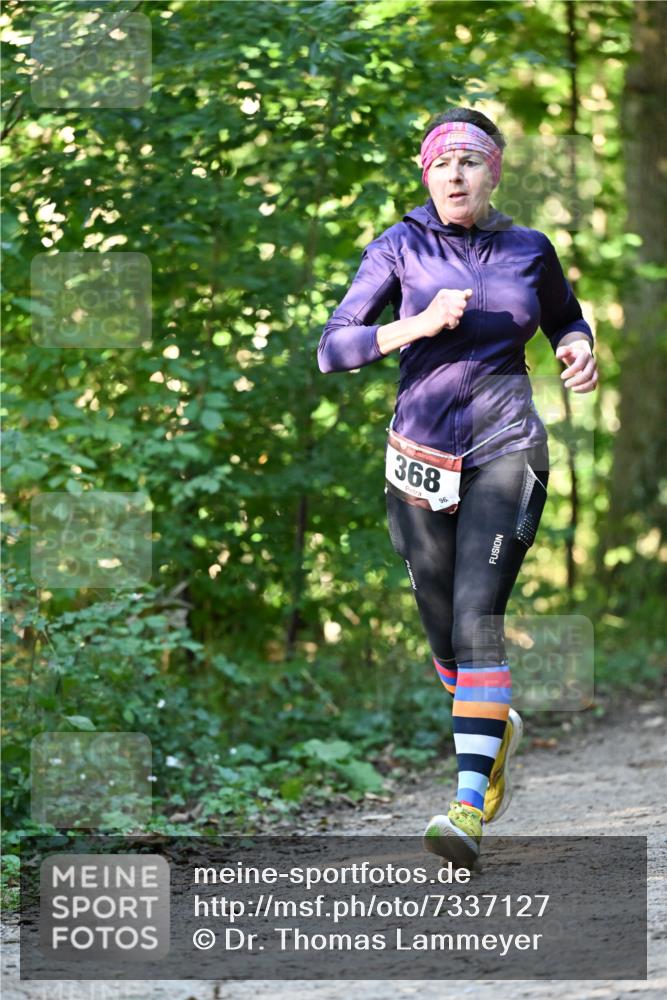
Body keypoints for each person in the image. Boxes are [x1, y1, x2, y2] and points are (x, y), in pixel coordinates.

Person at [317, 108, 598, 869]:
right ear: (424, 173)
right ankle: (493, 724)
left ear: (494, 170)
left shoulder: (528, 250)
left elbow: (567, 320)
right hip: (418, 455)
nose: (455, 174)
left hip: (508, 448)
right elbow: (333, 347)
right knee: (442, 634)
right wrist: (416, 326)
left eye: (470, 161)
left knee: (478, 617)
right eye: (442, 162)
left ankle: (465, 806)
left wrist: (578, 349)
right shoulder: (398, 247)